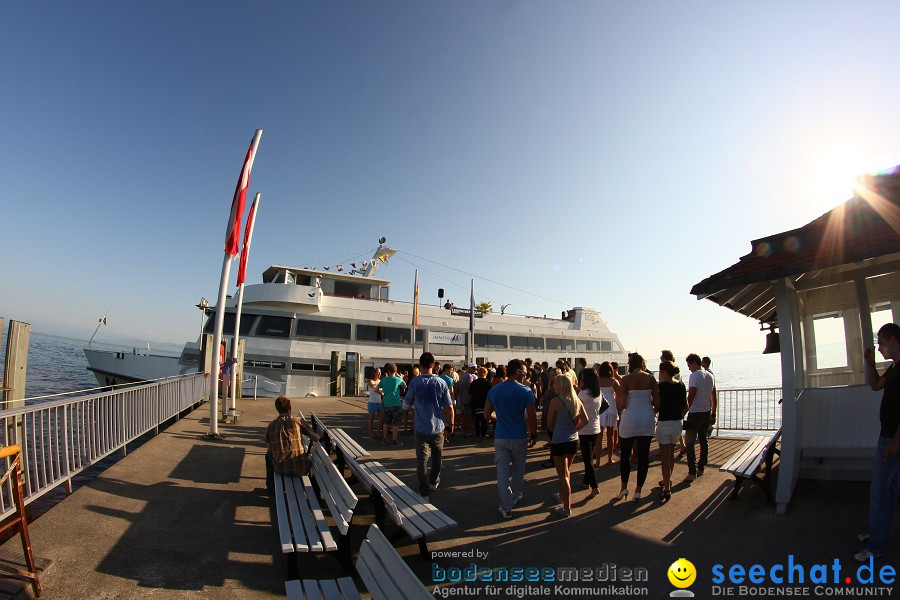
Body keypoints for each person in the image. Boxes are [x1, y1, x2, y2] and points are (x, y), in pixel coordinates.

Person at [857, 322, 900, 562]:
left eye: (882, 343)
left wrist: (894, 442)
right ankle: (879, 534)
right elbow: (875, 386)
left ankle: (875, 546)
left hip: (892, 442)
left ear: (893, 340)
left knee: (878, 494)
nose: (880, 348)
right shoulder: (894, 369)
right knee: (890, 493)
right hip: (889, 439)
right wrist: (871, 364)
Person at [485, 358, 538, 519]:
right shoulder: (526, 391)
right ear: (518, 372)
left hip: (501, 436)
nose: (526, 376)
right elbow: (532, 417)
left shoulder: (494, 390)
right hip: (519, 435)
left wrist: (499, 417)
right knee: (518, 469)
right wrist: (533, 433)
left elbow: (487, 415)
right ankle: (515, 495)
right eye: (524, 372)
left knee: (502, 472)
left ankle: (506, 506)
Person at [405, 352, 454, 497]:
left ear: (420, 365)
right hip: (438, 427)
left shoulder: (415, 382)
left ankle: (423, 489)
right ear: (433, 365)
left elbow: (407, 403)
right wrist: (450, 424)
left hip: (420, 427)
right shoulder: (442, 382)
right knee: (437, 457)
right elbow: (449, 406)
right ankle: (433, 481)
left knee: (422, 461)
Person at [615, 353, 659, 502]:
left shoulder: (625, 379)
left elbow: (621, 404)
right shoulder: (651, 378)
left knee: (625, 455)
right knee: (643, 456)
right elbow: (657, 403)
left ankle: (623, 487)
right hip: (646, 419)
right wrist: (647, 406)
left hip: (630, 419)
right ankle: (638, 491)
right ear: (643, 364)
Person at [547, 375, 588, 516]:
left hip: (560, 440)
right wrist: (576, 429)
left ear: (561, 386)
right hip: (573, 440)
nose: (553, 386)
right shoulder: (576, 400)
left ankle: (567, 507)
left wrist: (555, 430)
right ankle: (563, 495)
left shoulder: (556, 401)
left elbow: (549, 424)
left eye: (555, 383)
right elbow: (586, 420)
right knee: (567, 471)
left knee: (563, 475)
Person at [265, 396, 320, 489]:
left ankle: (270, 486)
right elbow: (315, 438)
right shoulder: (297, 421)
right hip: (301, 467)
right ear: (289, 408)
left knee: (268, 455)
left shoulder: (271, 425)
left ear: (277, 409)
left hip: (281, 468)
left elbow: (270, 448)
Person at [656, 361, 687, 500]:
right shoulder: (680, 385)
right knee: (671, 454)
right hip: (677, 423)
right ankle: (667, 480)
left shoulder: (661, 387)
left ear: (663, 372)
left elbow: (657, 405)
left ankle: (667, 487)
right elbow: (686, 406)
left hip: (664, 423)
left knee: (665, 457)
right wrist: (679, 415)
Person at [684, 353, 716, 481]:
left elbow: (691, 396)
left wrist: (683, 412)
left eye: (689, 365)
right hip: (706, 413)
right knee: (703, 441)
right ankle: (701, 467)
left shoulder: (694, 376)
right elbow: (714, 396)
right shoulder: (710, 376)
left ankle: (692, 471)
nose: (689, 368)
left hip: (695, 413)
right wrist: (713, 414)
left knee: (689, 443)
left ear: (694, 363)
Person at [575, 367, 603, 498]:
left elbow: (577, 409)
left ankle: (595, 486)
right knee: (589, 457)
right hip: (596, 427)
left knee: (587, 460)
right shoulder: (598, 393)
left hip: (585, 428)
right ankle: (586, 481)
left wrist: (579, 389)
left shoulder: (583, 394)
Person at [595, 361, 620, 467]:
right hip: (611, 407)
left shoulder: (597, 380)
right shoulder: (613, 381)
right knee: (610, 436)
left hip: (601, 406)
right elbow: (619, 394)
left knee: (599, 436)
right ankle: (609, 458)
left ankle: (597, 461)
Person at [378, 363, 406, 446]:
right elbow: (404, 386)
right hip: (396, 403)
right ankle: (394, 440)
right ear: (396, 370)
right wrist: (400, 377)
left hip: (387, 403)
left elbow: (377, 389)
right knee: (396, 423)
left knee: (386, 422)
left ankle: (385, 439)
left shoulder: (384, 380)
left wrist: (383, 394)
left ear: (388, 371)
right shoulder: (397, 379)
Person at [469, 366, 491, 442]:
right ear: (486, 374)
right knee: (484, 421)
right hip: (485, 404)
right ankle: (483, 436)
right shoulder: (488, 383)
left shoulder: (474, 383)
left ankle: (478, 435)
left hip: (476, 403)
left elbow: (470, 393)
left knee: (477, 421)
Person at [456, 363, 477, 436]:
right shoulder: (469, 376)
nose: (475, 370)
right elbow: (471, 387)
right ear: (470, 368)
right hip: (468, 398)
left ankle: (464, 429)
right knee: (469, 415)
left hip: (463, 398)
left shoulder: (463, 375)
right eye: (474, 368)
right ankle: (469, 431)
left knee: (465, 414)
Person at [702, 356, 718, 440]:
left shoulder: (706, 372)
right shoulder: (710, 372)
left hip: (707, 397)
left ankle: (707, 429)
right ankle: (708, 428)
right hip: (709, 397)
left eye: (702, 361)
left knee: (706, 414)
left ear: (705, 362)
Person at [367, 368, 384, 439]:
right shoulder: (371, 381)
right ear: (374, 373)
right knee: (371, 419)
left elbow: (383, 390)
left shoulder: (381, 381)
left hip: (379, 402)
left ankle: (378, 432)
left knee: (382, 419)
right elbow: (374, 386)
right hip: (372, 402)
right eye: (378, 372)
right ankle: (371, 433)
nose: (379, 374)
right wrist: (380, 384)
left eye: (380, 372)